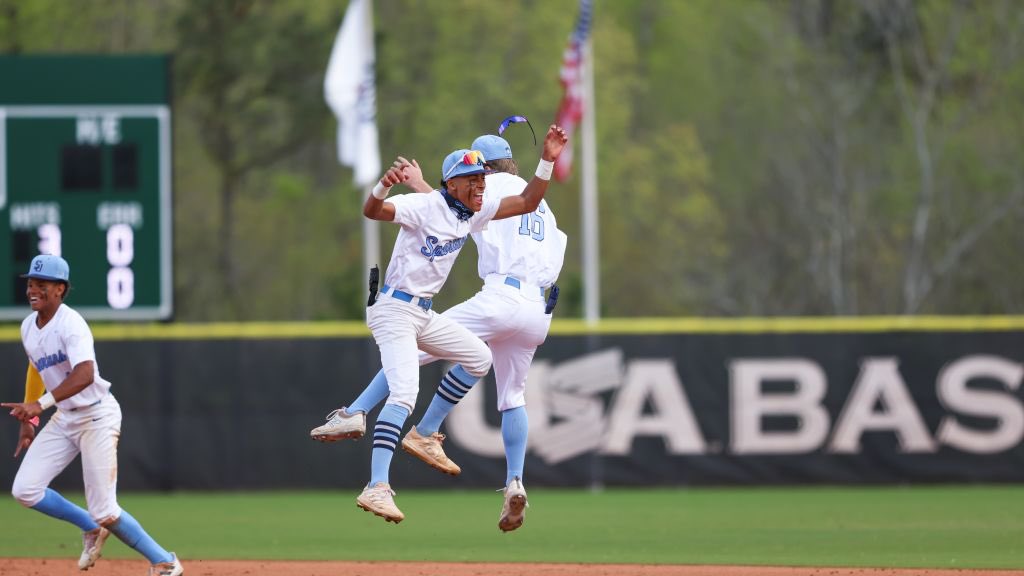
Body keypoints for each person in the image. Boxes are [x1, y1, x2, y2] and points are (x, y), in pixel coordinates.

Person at [312, 128, 566, 532]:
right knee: (411, 388)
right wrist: (386, 186)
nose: (481, 184)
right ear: (454, 183)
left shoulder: (474, 206)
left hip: (447, 308)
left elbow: (486, 207)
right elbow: (387, 211)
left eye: (483, 177)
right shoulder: (432, 204)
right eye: (473, 179)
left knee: (474, 358)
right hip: (408, 308)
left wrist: (549, 158)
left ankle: (375, 419)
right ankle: (378, 477)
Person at [2, 254, 184, 576]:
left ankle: (165, 561)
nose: (32, 289)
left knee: (105, 509)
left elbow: (85, 374)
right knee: (25, 490)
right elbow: (36, 368)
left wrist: (40, 406)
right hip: (65, 417)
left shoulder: (71, 324)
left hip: (97, 416)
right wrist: (30, 422)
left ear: (60, 289)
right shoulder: (29, 326)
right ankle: (88, 526)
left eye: (41, 284)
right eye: (30, 283)